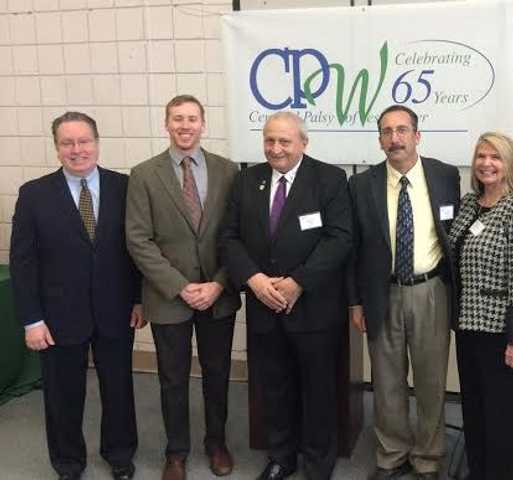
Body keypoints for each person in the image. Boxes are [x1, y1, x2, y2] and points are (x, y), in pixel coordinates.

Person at [10, 111, 144, 480]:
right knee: (62, 395)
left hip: (117, 310)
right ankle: (68, 462)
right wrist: (32, 320)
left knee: (119, 389)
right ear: (56, 149)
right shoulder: (34, 195)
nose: (77, 149)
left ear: (97, 144)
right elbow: (23, 262)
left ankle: (120, 455)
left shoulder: (126, 187)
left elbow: (138, 249)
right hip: (57, 317)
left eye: (84, 141)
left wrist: (139, 298)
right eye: (67, 143)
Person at [219, 112, 352, 480]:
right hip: (264, 306)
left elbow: (340, 238)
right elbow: (229, 238)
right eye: (269, 141)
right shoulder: (247, 180)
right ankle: (281, 456)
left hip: (313, 308)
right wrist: (254, 279)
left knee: (317, 388)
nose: (275, 149)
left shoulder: (329, 178)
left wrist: (298, 282)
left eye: (284, 141)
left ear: (303, 143)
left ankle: (317, 461)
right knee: (274, 386)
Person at [126, 95, 241, 480]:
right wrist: (180, 286)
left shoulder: (228, 171)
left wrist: (219, 283)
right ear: (166, 124)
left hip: (217, 294)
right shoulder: (143, 174)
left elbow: (238, 236)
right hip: (167, 297)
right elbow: (138, 240)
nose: (185, 126)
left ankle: (216, 442)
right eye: (178, 119)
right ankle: (176, 452)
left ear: (203, 124)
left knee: (217, 372)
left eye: (192, 119)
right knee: (172, 378)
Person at [347, 105, 460, 480]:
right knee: (386, 380)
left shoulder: (445, 176)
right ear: (379, 140)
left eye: (402, 130)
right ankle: (392, 454)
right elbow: (354, 249)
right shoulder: (362, 185)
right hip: (383, 294)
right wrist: (356, 301)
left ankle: (428, 458)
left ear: (417, 135)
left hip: (431, 292)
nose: (394, 138)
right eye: (386, 132)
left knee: (430, 381)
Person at [447, 132, 513, 480]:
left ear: (510, 165)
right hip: (471, 328)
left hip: (507, 335)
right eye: (481, 156)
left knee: (509, 419)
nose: (486, 163)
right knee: (476, 410)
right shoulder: (470, 205)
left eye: (496, 157)